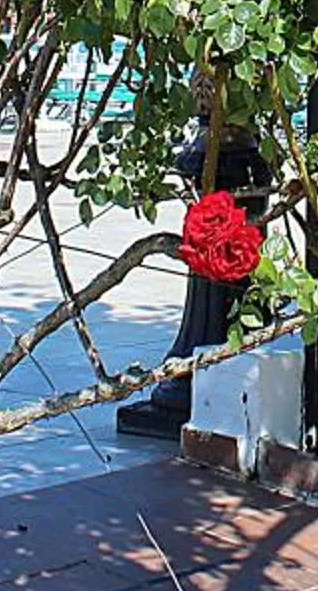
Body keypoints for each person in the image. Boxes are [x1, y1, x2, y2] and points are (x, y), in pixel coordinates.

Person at [115, 70, 272, 439]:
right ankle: (218, 365)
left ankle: (217, 366)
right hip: (231, 157)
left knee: (226, 289)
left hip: (235, 158)